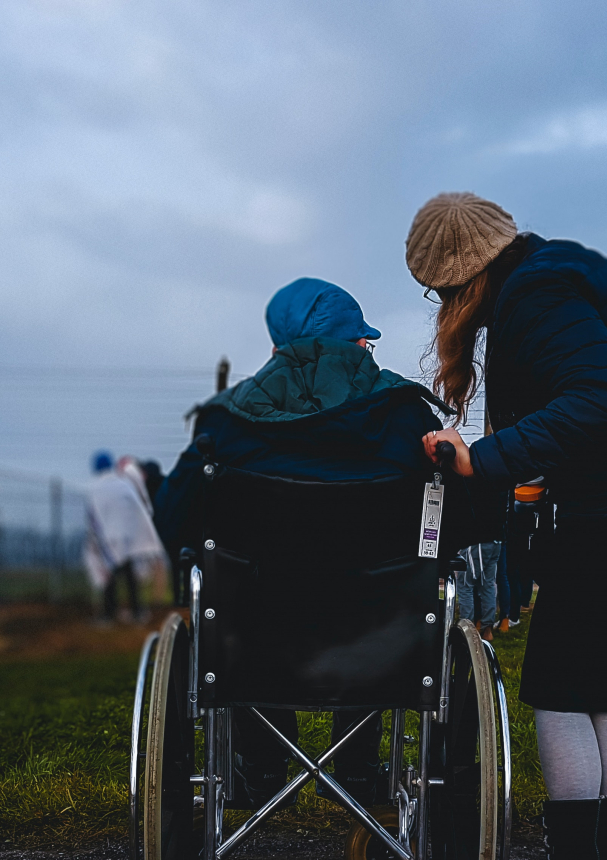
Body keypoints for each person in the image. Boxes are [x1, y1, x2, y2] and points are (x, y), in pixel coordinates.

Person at [406, 192, 607, 860]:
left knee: (559, 690)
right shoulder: (560, 273)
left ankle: (576, 848)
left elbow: (598, 397)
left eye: (441, 293)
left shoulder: (537, 297)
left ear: (465, 277)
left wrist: (482, 458)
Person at [152, 277, 453, 811]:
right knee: (376, 599)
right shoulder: (408, 418)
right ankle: (358, 770)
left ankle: (262, 767)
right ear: (359, 345)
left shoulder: (225, 422)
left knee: (242, 605)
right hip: (381, 641)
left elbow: (174, 521)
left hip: (252, 641)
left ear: (276, 348)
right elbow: (460, 522)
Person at [85, 451, 166, 624]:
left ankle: (108, 615)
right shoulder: (123, 484)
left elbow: (93, 517)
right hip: (128, 538)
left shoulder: (94, 488)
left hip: (108, 539)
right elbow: (139, 508)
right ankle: (137, 613)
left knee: (110, 578)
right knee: (129, 577)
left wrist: (96, 541)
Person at [458, 541, 501, 640]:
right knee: (488, 585)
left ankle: (467, 629)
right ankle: (487, 629)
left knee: (465, 585)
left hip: (477, 541)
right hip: (496, 540)